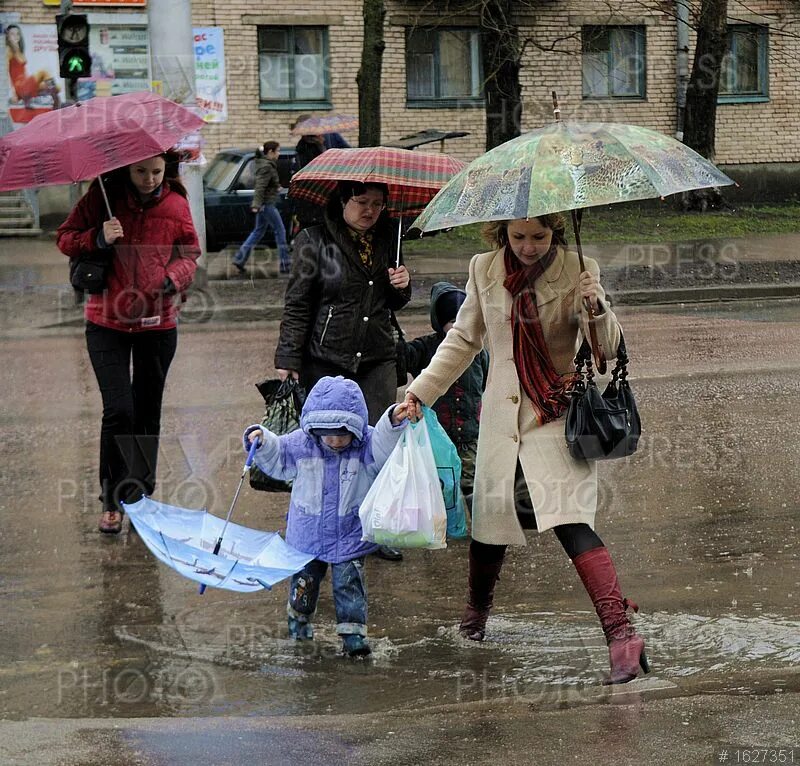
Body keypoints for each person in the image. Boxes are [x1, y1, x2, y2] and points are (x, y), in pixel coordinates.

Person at [402, 214, 649, 685]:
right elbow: (463, 340)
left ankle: (621, 635)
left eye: (539, 237)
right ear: (502, 234)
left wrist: (596, 308)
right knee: (489, 523)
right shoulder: (484, 269)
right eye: (518, 237)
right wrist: (420, 394)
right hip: (500, 420)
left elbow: (606, 352)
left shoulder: (580, 267)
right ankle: (475, 619)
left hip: (555, 416)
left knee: (570, 521)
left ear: (555, 232)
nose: (529, 247)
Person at [57, 153, 200, 534]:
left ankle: (138, 495)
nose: (150, 179)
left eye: (157, 171)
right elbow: (65, 239)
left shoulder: (176, 204)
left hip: (157, 324)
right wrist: (97, 237)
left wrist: (173, 278)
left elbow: (190, 252)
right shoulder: (102, 197)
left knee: (147, 411)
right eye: (141, 171)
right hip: (107, 322)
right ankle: (111, 498)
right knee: (119, 411)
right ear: (127, 169)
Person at [274, 179, 411, 562]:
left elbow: (392, 301)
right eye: (361, 202)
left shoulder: (390, 238)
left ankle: (377, 525)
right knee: (327, 450)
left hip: (377, 356)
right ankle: (321, 527)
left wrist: (402, 285)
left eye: (378, 204)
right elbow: (298, 303)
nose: (370, 211)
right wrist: (288, 359)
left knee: (378, 444)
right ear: (342, 200)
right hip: (326, 359)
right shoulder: (313, 240)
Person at [243, 375, 410, 657]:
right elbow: (279, 454)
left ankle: (353, 638)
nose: (335, 440)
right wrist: (262, 439)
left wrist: (393, 420)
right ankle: (299, 625)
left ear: (355, 428)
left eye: (343, 433)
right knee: (304, 584)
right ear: (313, 427)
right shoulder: (301, 444)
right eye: (327, 433)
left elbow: (383, 443)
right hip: (307, 536)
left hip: (350, 535)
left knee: (350, 587)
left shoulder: (365, 444)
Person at [400, 281, 488, 506]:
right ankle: (440, 520)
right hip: (436, 435)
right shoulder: (425, 347)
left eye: (461, 320)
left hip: (468, 432)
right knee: (437, 480)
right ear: (439, 322)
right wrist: (395, 338)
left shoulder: (478, 352)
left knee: (471, 481)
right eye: (451, 322)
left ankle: (480, 525)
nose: (457, 327)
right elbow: (402, 358)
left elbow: (487, 382)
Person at [232, 140, 290, 275]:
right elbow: (260, 187)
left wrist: (276, 186)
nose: (279, 154)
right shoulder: (266, 167)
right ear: (270, 152)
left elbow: (267, 184)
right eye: (278, 150)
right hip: (267, 204)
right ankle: (285, 265)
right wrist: (256, 205)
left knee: (258, 231)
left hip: (265, 203)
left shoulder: (264, 164)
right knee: (280, 231)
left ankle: (240, 259)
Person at [5, 24, 60, 109]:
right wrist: (13, 93)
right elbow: (5, 72)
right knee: (44, 71)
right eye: (12, 34)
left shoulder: (19, 51)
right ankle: (56, 102)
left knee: (57, 88)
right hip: (20, 87)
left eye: (18, 33)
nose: (16, 36)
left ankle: (31, 100)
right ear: (7, 36)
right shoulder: (8, 51)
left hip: (26, 84)